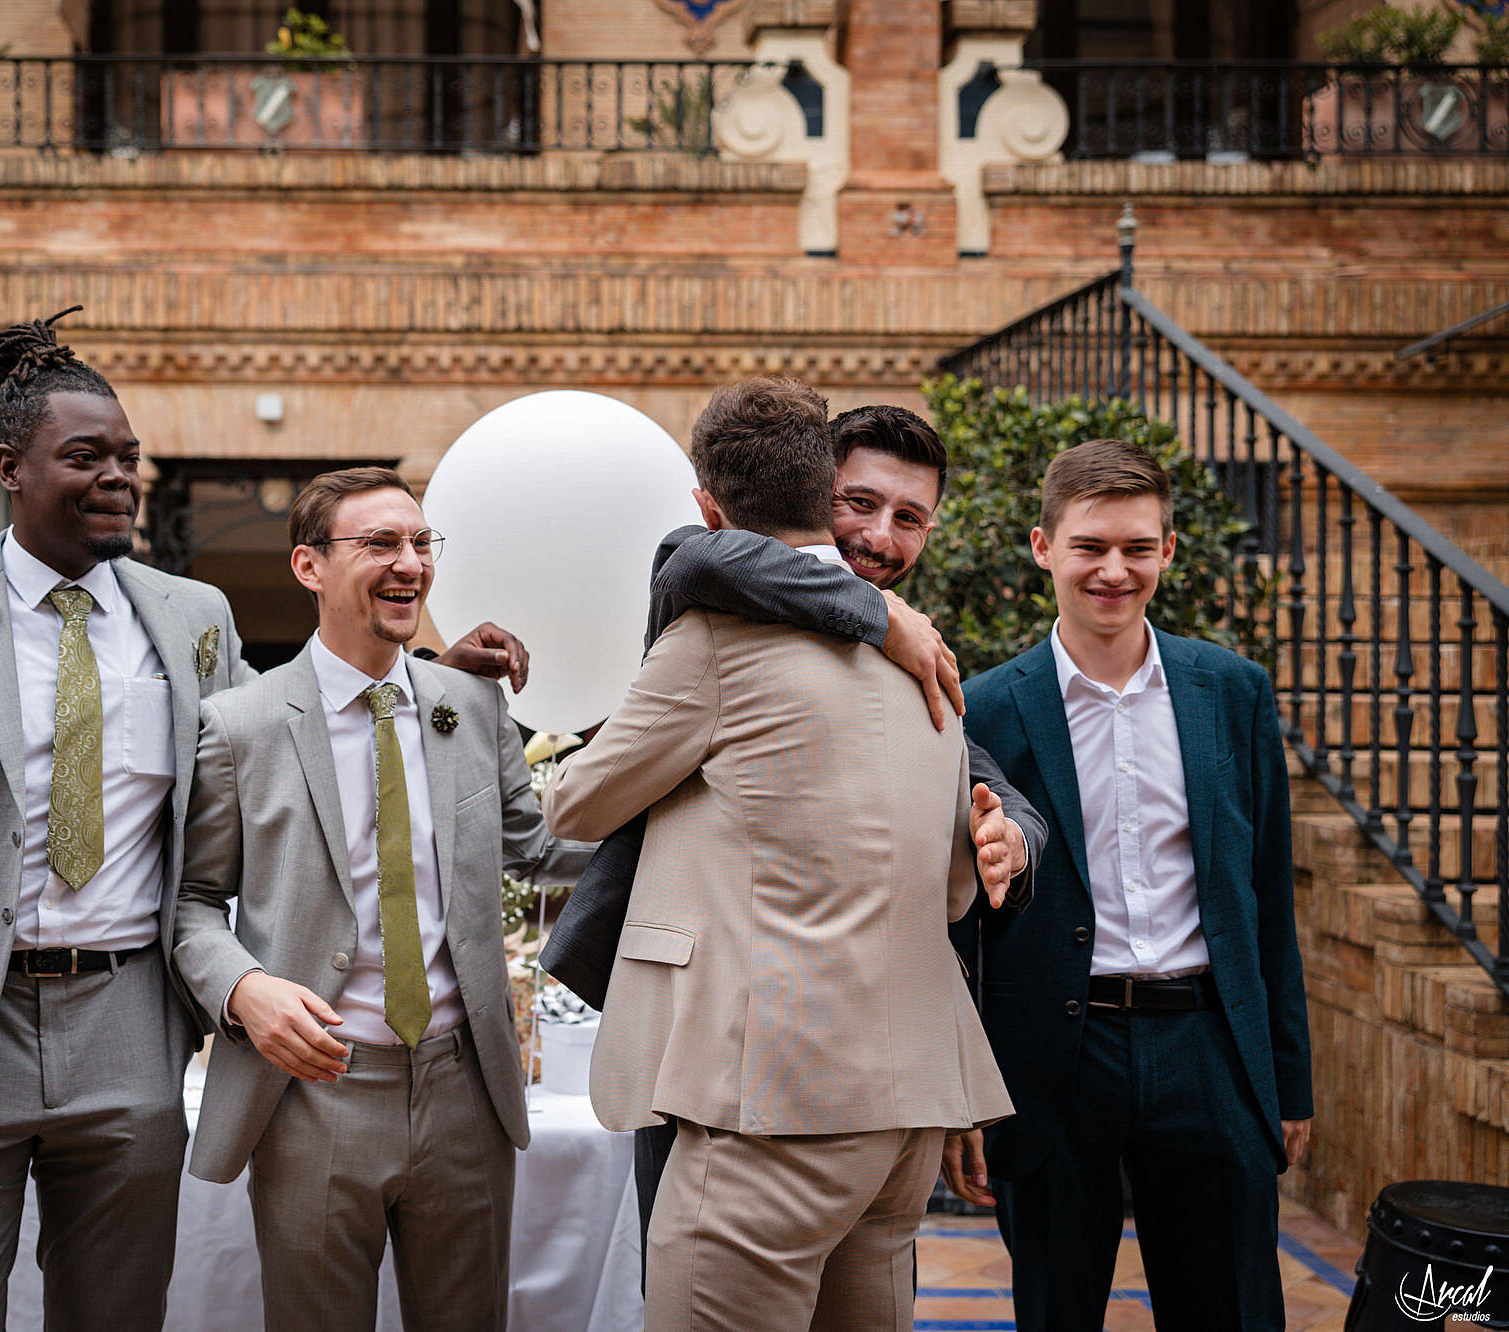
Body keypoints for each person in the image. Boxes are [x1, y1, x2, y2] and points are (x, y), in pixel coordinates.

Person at [0, 312, 529, 1329]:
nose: (118, 477)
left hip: (128, 1022)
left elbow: (293, 731)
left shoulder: (192, 617)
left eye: (127, 457)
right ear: (10, 469)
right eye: (85, 457)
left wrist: (430, 682)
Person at [543, 378, 1011, 1330]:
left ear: (710, 508)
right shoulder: (926, 664)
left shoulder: (718, 637)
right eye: (862, 505)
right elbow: (956, 892)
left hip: (769, 1100)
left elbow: (573, 808)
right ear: (820, 495)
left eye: (909, 516)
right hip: (906, 1111)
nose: (882, 534)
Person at [172, 467, 592, 1332]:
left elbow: (542, 847)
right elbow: (192, 901)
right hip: (313, 1093)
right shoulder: (240, 726)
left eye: (420, 542)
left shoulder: (471, 703)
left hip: (465, 1090)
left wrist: (685, 796)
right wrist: (244, 989)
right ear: (309, 566)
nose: (410, 562)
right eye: (380, 543)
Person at [950, 439, 1313, 1331]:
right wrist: (960, 1096)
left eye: (1138, 548)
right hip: (1052, 1061)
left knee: (1231, 1310)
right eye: (1091, 547)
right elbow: (958, 924)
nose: (1114, 571)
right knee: (1056, 1310)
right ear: (1044, 548)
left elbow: (1268, 896)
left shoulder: (1233, 692)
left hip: (1209, 1046)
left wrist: (1288, 1080)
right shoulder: (983, 707)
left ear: (1168, 552)